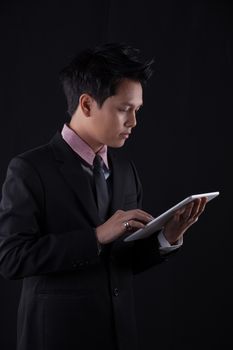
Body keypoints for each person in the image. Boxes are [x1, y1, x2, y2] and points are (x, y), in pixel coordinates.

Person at [0, 43, 207, 350]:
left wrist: (166, 237)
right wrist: (96, 236)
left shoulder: (125, 171)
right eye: (124, 109)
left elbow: (120, 262)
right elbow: (11, 259)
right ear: (86, 104)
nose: (133, 122)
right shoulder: (29, 169)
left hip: (118, 338)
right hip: (55, 338)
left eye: (137, 110)